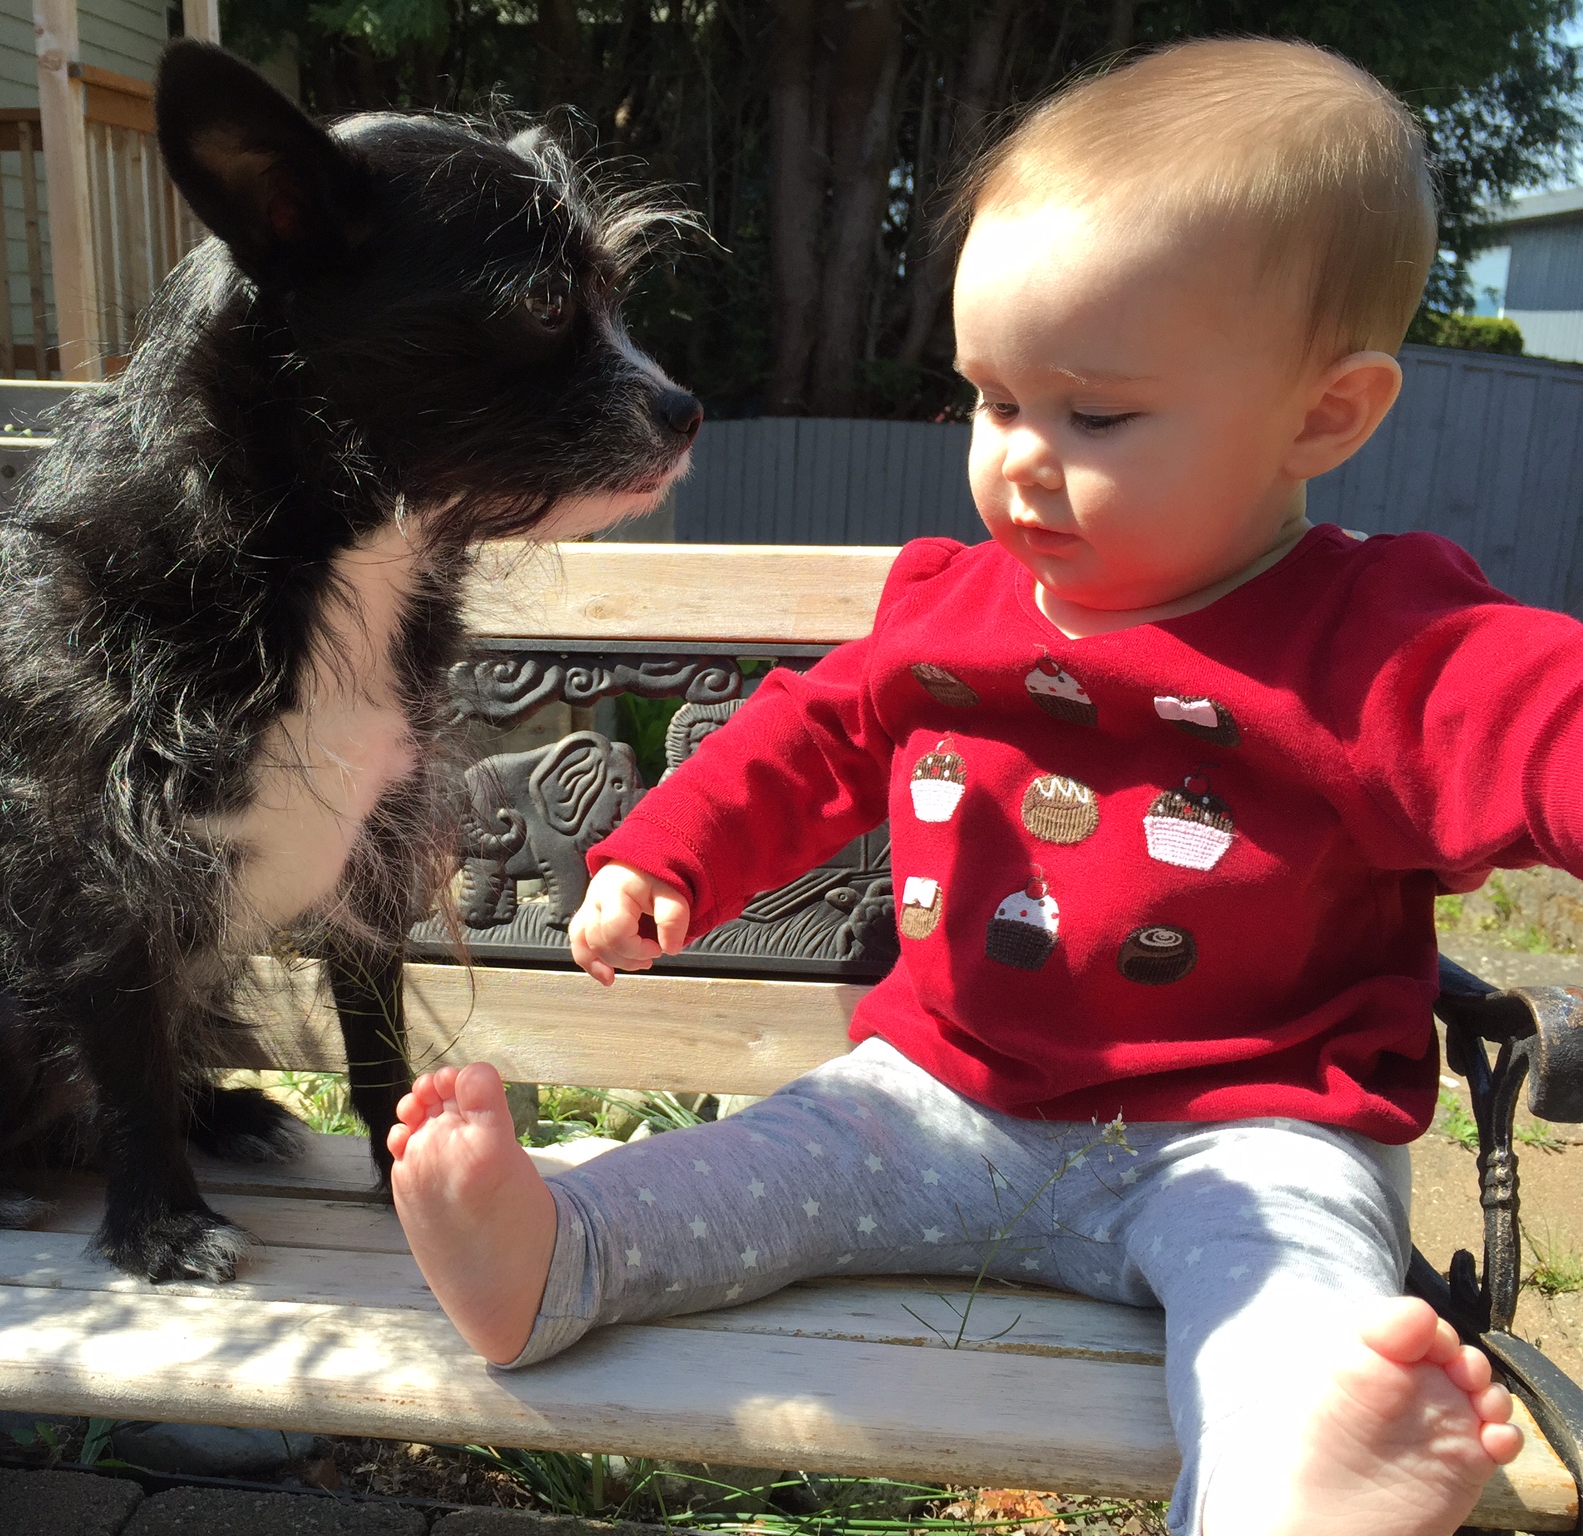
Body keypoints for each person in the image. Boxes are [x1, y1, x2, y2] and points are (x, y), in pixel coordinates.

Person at [387, 37, 1583, 1536]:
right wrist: (665, 854)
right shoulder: (953, 605)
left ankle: (1300, 1480)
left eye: (1095, 417)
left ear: (1323, 416)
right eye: (994, 402)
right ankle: (551, 1257)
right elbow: (811, 735)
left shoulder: (1377, 641)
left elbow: (1540, 717)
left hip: (1249, 1133)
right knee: (754, 1166)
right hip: (936, 1101)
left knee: (1297, 1314)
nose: (1020, 461)